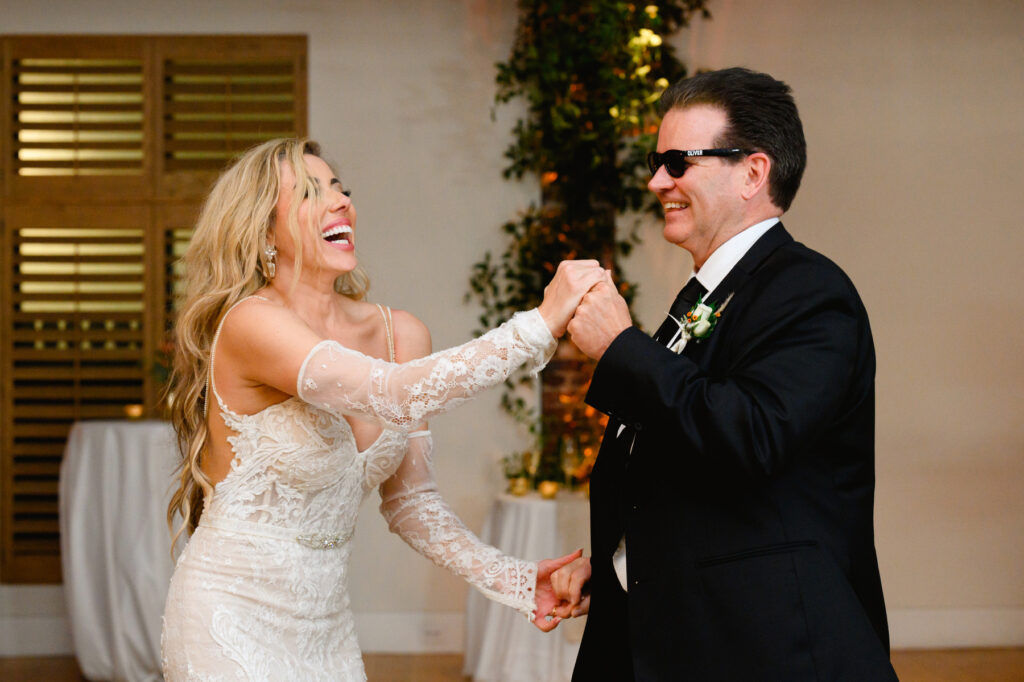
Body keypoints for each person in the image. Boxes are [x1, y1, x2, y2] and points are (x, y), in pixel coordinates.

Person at [160, 138, 603, 681]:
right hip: (228, 615)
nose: (340, 201)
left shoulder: (400, 333)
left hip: (327, 630)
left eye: (340, 188)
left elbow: (411, 503)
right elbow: (394, 393)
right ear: (262, 231)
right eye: (307, 192)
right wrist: (540, 322)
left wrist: (512, 579)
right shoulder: (251, 324)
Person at [550, 68, 897, 680]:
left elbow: (751, 435)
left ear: (753, 173)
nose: (658, 180)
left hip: (765, 647)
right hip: (674, 631)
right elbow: (679, 464)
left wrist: (622, 347)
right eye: (657, 161)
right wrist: (620, 564)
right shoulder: (707, 296)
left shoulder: (810, 291)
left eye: (680, 161)